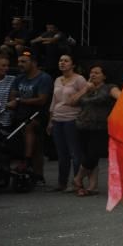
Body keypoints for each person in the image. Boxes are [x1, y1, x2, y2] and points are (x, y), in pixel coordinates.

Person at [69, 64, 121, 196]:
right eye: (91, 72)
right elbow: (72, 102)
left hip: (100, 127)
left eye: (97, 73)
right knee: (88, 156)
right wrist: (85, 89)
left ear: (104, 76)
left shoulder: (109, 87)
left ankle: (78, 178)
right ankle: (93, 187)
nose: (92, 75)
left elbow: (122, 98)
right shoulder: (87, 88)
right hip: (82, 126)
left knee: (93, 154)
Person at [6, 52, 53, 183]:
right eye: (19, 61)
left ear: (34, 62)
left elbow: (41, 100)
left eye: (23, 62)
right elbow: (12, 97)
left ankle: (27, 162)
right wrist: (17, 100)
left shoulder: (44, 78)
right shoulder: (19, 78)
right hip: (19, 115)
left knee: (29, 128)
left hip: (37, 116)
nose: (20, 64)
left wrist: (19, 100)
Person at [47, 54, 87, 191]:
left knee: (75, 153)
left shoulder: (79, 79)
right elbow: (54, 100)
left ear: (73, 65)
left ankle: (77, 183)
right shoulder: (58, 79)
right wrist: (50, 120)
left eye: (66, 61)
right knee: (61, 153)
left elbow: (85, 98)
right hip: (57, 118)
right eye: (60, 60)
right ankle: (61, 183)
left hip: (72, 118)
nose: (62, 63)